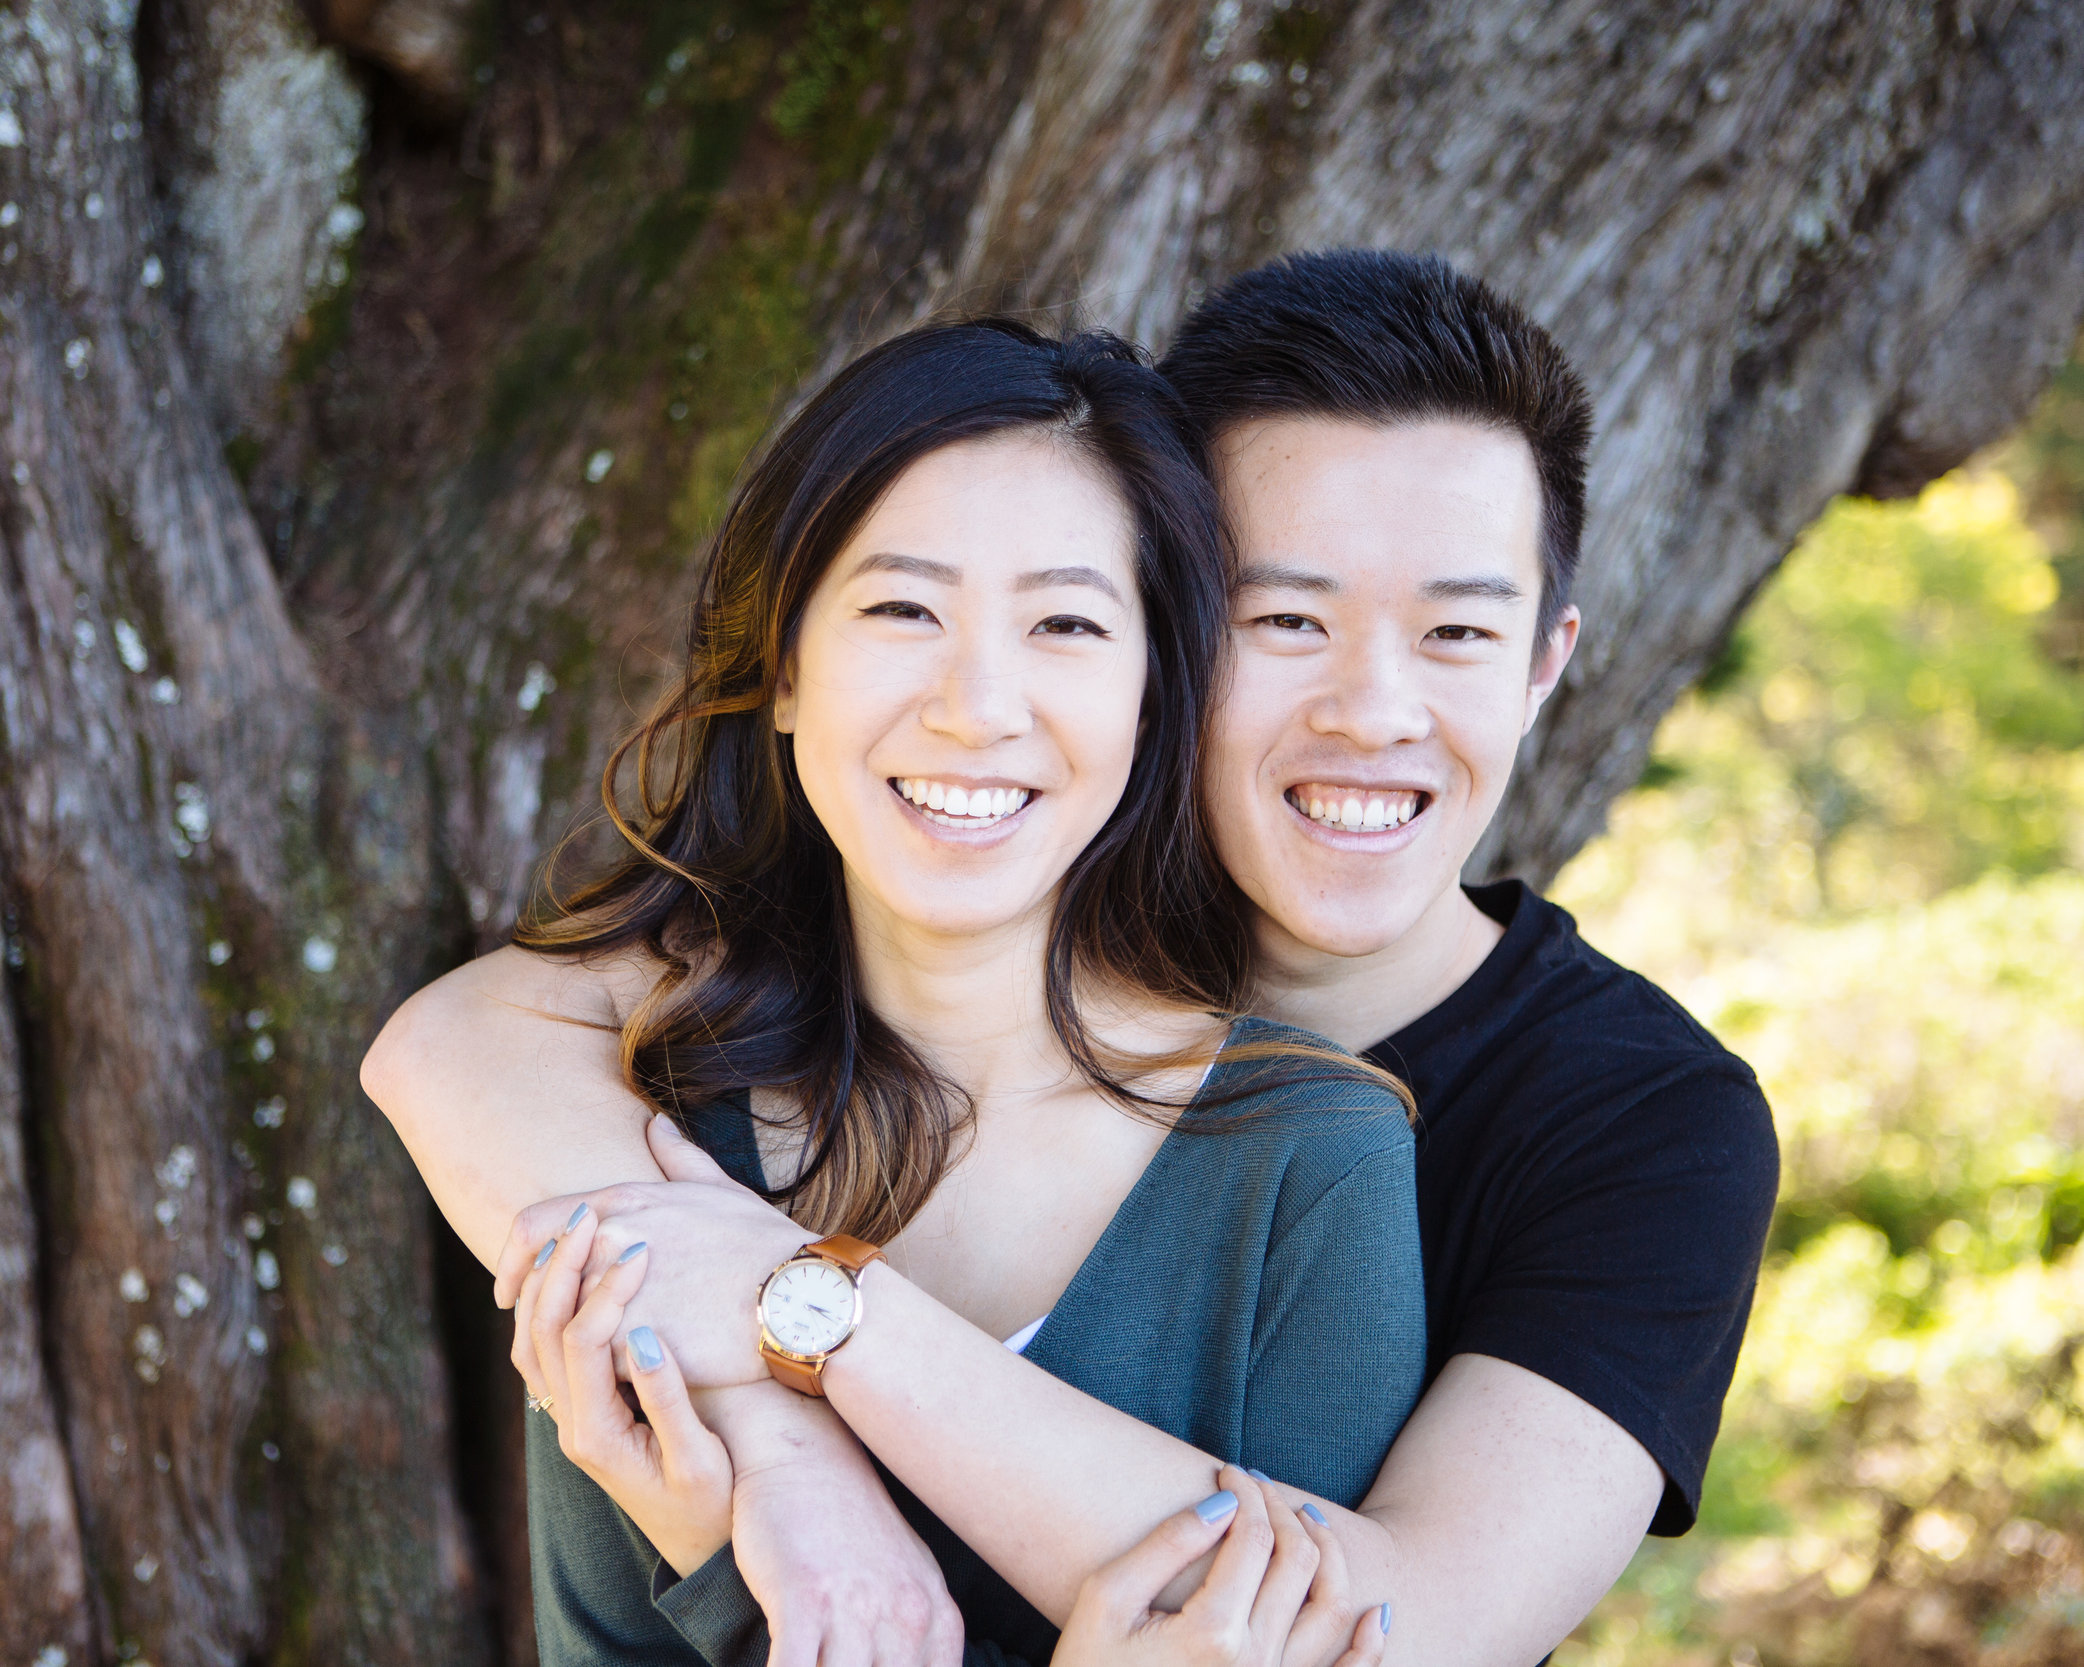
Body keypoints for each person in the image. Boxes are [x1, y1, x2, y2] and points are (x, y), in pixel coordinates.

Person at [365, 251, 1782, 1666]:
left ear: (1546, 659)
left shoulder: (1604, 1126)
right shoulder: (760, 1037)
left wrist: (797, 1315)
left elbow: (1395, 1637)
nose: (1375, 711)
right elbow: (455, 1042)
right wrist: (779, 1460)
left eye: (1460, 631)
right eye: (1286, 619)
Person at [412, 314, 1421, 1665]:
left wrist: (735, 1527)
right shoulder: (658, 1131)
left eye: (1066, 621)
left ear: (1152, 691)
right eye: (902, 608)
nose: (976, 704)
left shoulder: (1303, 1160)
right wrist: (778, 1489)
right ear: (781, 669)